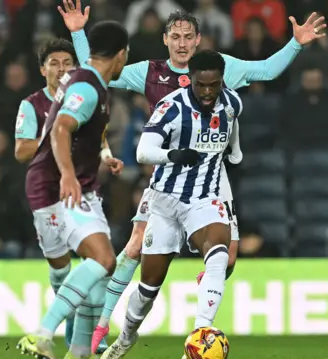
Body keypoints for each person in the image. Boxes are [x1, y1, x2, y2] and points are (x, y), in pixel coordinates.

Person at [58, 0, 327, 351]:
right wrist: (78, 32)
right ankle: (112, 328)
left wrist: (295, 43)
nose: (182, 43)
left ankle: (199, 331)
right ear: (165, 40)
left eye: (188, 36)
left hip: (211, 178)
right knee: (139, 253)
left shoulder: (218, 69)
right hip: (166, 180)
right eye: (175, 37)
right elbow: (98, 71)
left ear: (198, 39)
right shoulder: (151, 73)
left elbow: (265, 71)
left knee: (224, 256)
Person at [101, 49, 240, 359]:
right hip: (165, 201)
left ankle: (200, 336)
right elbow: (143, 152)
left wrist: (236, 154)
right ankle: (126, 337)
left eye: (213, 85)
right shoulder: (171, 106)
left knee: (219, 255)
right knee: (149, 285)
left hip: (206, 198)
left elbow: (233, 131)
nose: (206, 92)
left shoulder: (231, 103)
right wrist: (171, 155)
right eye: (200, 85)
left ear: (221, 82)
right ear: (191, 79)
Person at [15, 20, 129, 359]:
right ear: (121, 55)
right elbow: (62, 129)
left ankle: (78, 349)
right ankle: (44, 333)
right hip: (59, 187)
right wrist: (67, 174)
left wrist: (104, 156)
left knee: (97, 268)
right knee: (99, 260)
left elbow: (87, 131)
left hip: (72, 184)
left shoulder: (83, 85)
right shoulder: (87, 86)